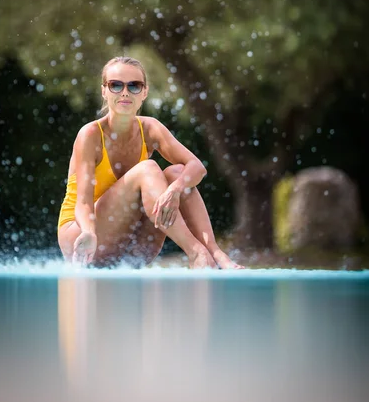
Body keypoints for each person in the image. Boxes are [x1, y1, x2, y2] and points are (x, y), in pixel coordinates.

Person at [57, 56, 244, 269]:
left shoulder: (151, 128)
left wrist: (175, 189)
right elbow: (82, 202)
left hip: (131, 247)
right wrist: (89, 232)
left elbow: (197, 167)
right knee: (148, 169)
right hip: (84, 239)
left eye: (134, 86)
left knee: (177, 173)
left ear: (144, 92)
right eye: (115, 85)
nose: (125, 92)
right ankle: (195, 253)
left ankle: (215, 253)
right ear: (104, 91)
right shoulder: (90, 134)